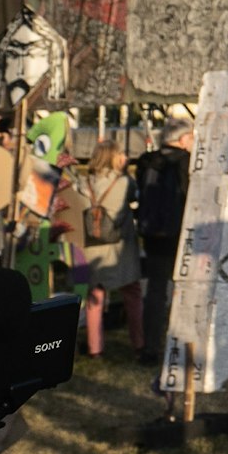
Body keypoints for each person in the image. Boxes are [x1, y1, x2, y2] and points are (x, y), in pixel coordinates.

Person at [73, 142, 143, 357]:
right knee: (132, 294)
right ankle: (139, 343)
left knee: (95, 297)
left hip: (93, 246)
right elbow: (135, 196)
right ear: (114, 157)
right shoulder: (123, 182)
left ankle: (95, 348)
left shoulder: (83, 182)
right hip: (119, 248)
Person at [133, 118, 193, 364]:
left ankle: (150, 348)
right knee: (185, 291)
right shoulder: (186, 162)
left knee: (156, 292)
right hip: (181, 234)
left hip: (152, 234)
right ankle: (182, 346)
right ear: (182, 139)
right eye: (192, 137)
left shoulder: (147, 161)